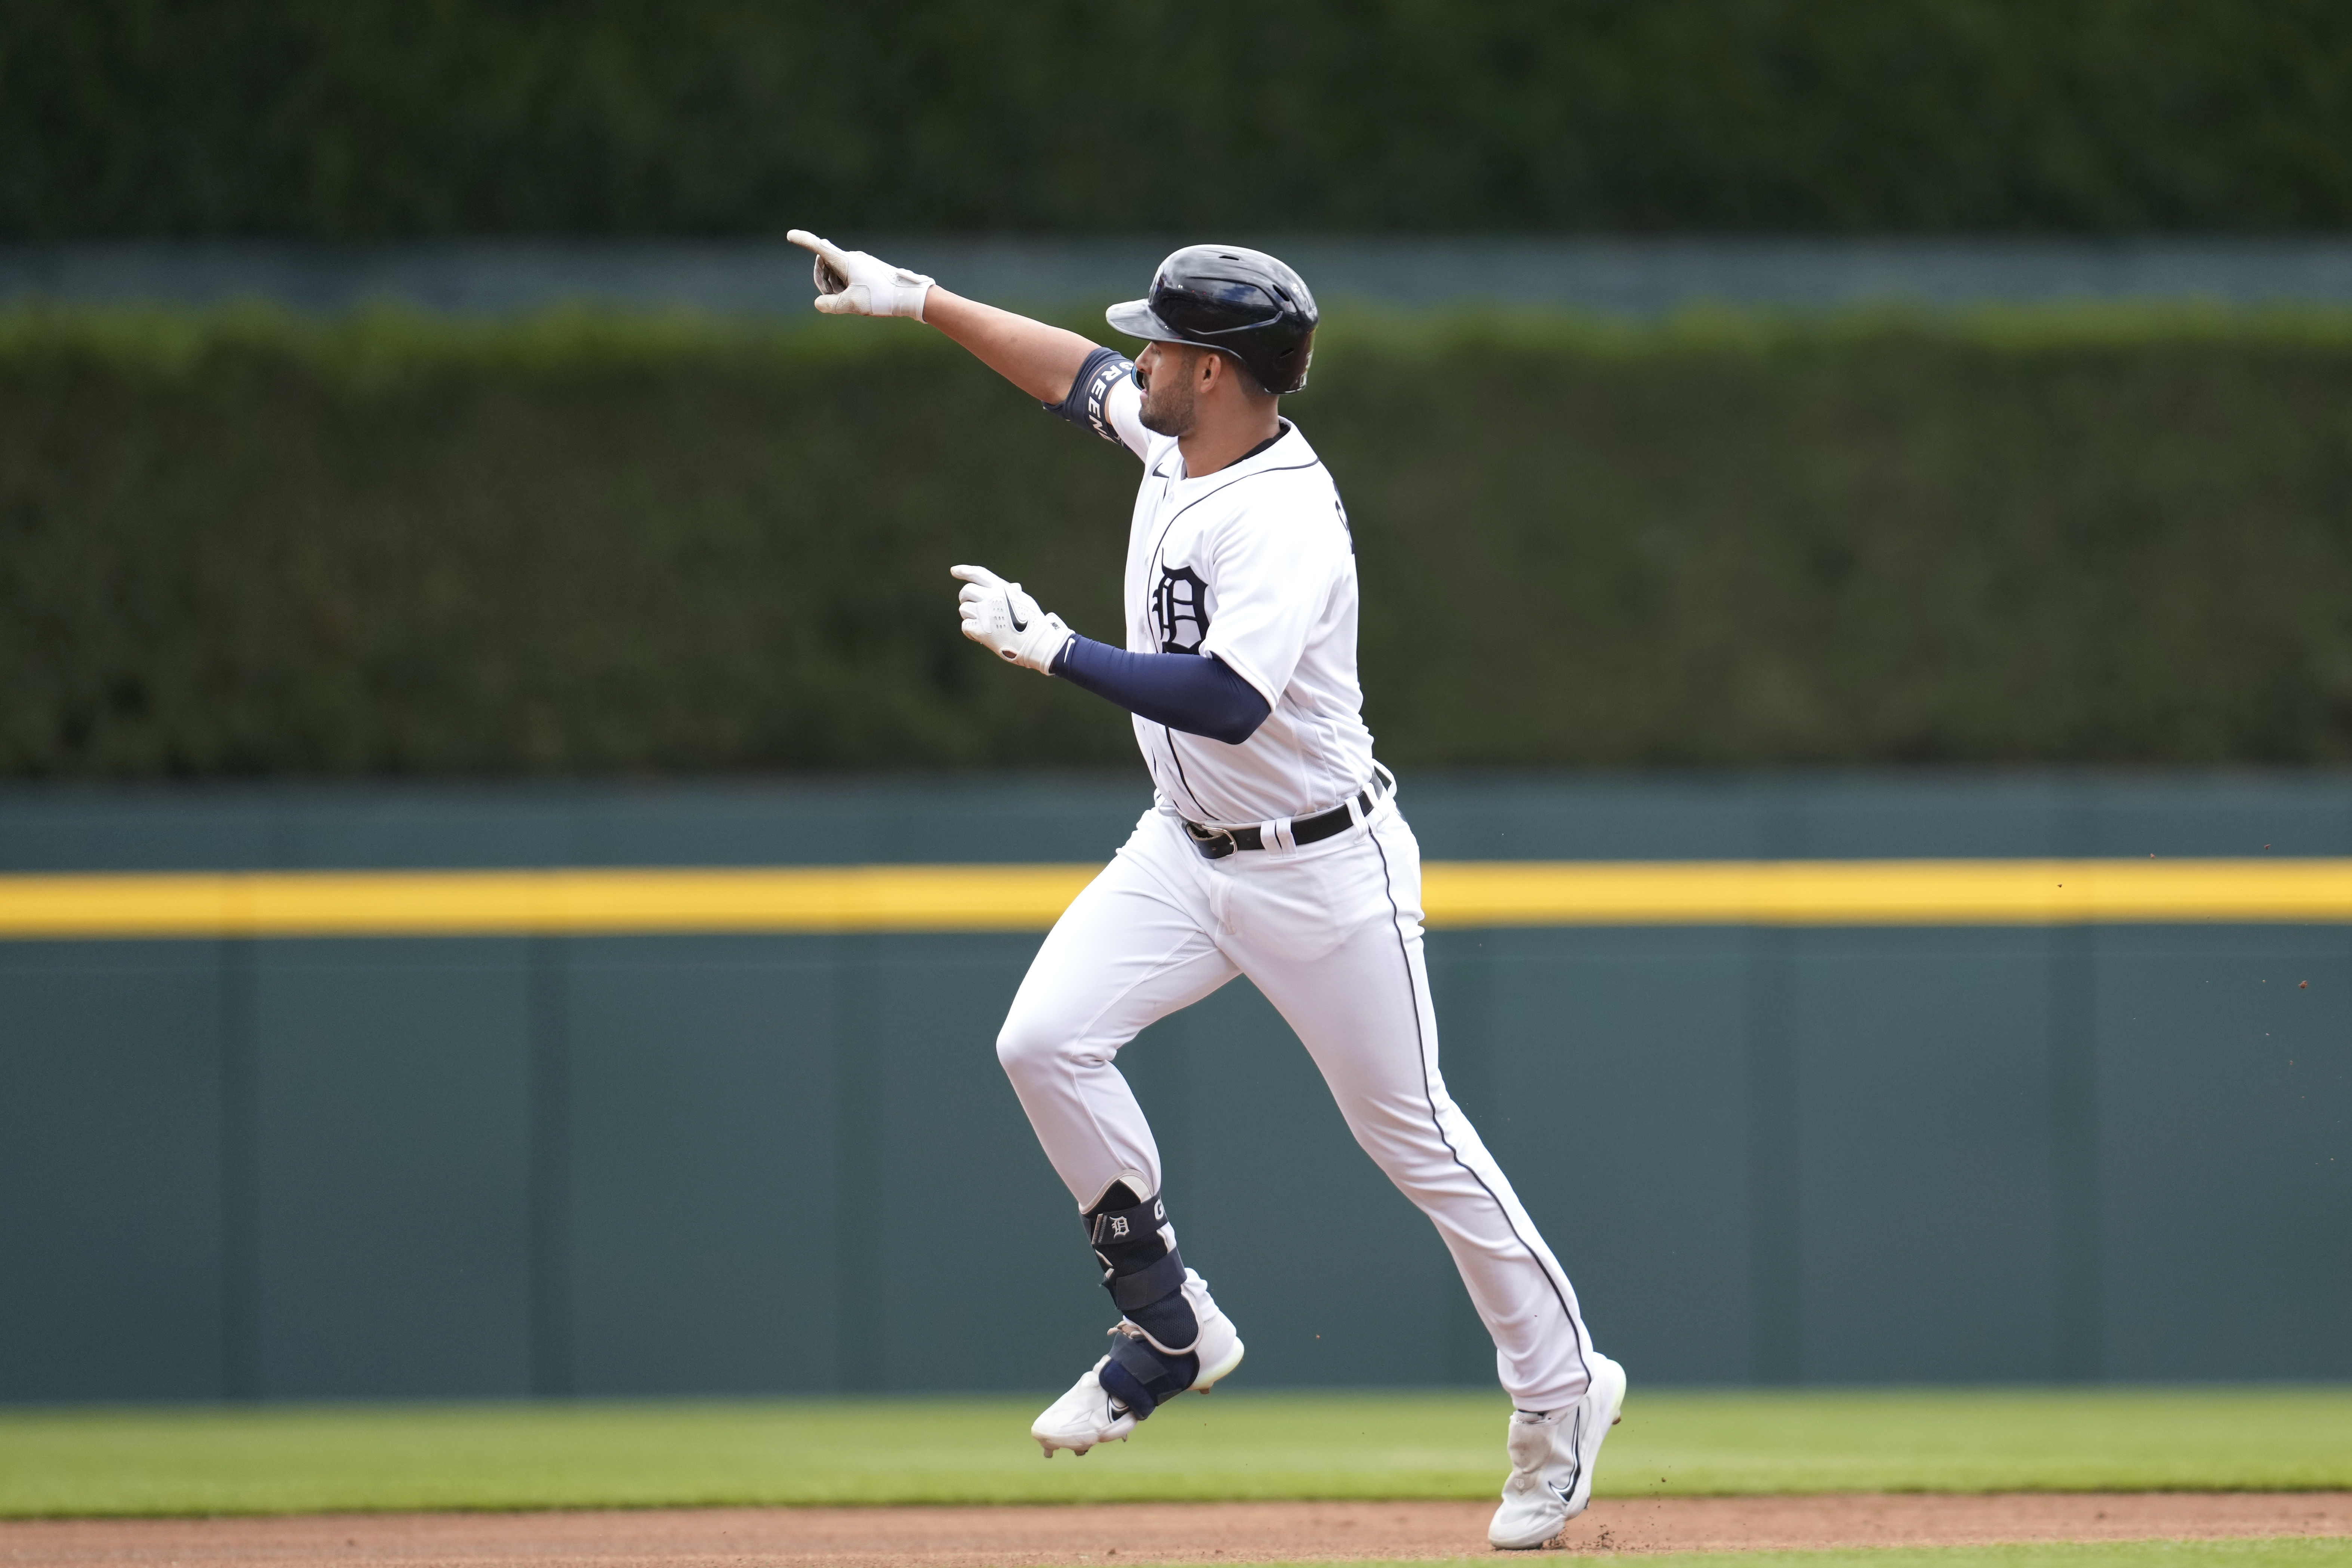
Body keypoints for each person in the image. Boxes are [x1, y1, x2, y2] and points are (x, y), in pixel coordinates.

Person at [785, 230, 1626, 1550]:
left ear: (1221, 373)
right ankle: (1169, 1323)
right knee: (1043, 1040)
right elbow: (1071, 377)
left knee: (1413, 1137)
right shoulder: (1183, 437)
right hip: (1184, 848)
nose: (1140, 358)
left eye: (1165, 344)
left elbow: (1231, 700)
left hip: (1321, 868)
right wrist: (918, 300)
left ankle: (1563, 1390)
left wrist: (1055, 647)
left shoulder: (1281, 511)